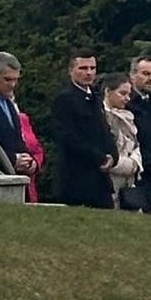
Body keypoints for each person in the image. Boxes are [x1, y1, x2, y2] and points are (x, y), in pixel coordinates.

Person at [48, 52, 116, 208]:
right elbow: (67, 137)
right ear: (71, 70)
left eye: (93, 68)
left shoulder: (95, 99)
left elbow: (105, 131)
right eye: (83, 68)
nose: (89, 72)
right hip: (76, 179)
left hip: (100, 181)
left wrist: (113, 155)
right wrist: (99, 158)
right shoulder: (65, 99)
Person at [125, 57, 151, 211]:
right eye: (145, 73)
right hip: (136, 170)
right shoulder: (126, 103)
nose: (150, 78)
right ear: (132, 75)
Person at [101, 73, 145, 208]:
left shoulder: (129, 117)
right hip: (110, 179)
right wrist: (127, 165)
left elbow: (136, 144)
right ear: (108, 92)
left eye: (129, 94)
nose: (127, 99)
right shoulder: (101, 116)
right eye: (122, 93)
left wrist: (135, 162)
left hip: (129, 182)